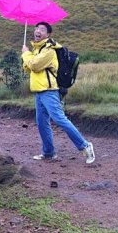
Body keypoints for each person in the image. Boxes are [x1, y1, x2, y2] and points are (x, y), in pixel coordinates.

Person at [21, 21, 95, 164]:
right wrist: (27, 56)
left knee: (59, 119)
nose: (38, 31)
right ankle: (48, 153)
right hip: (39, 91)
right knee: (42, 123)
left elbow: (34, 65)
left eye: (42, 29)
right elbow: (28, 68)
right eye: (36, 28)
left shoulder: (49, 50)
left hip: (49, 91)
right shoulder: (37, 50)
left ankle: (85, 146)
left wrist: (26, 55)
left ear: (48, 34)